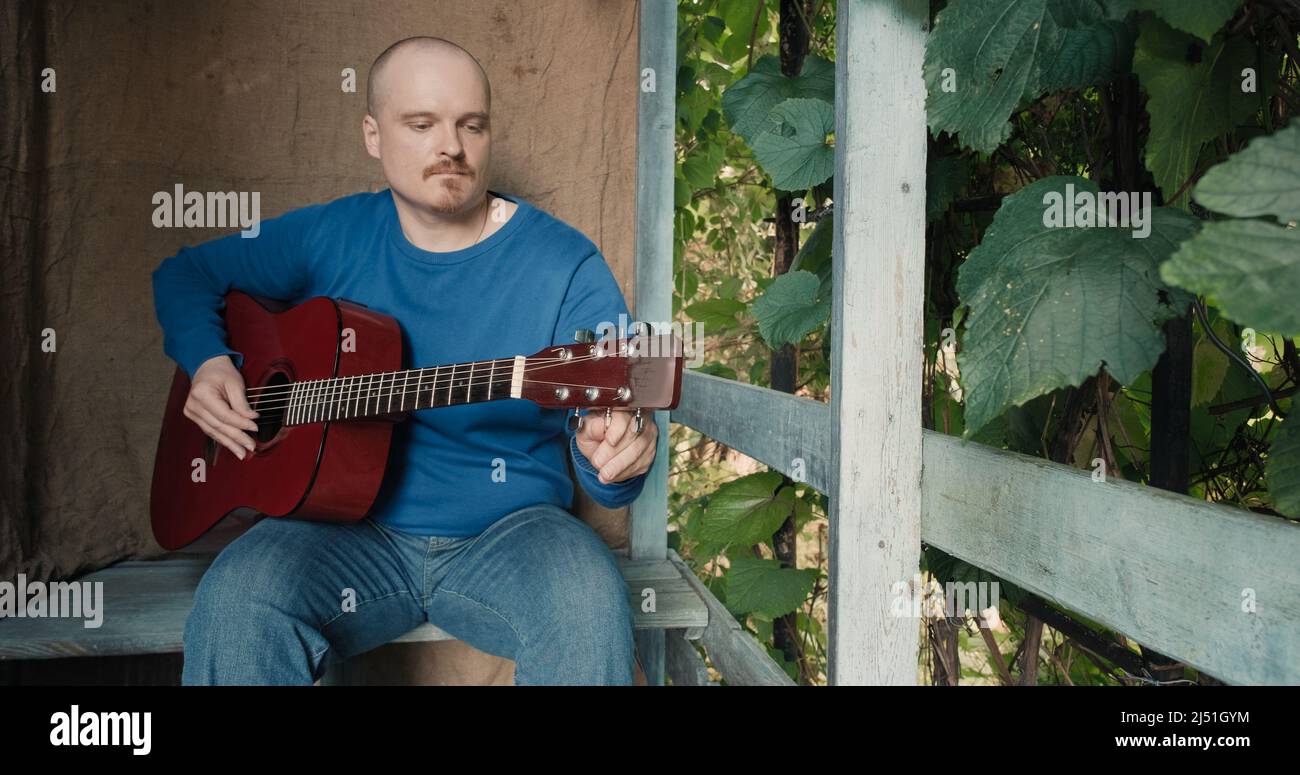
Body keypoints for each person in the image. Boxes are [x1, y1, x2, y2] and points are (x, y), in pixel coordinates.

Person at [151, 36, 658, 685]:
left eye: (471, 125)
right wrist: (209, 361)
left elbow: (616, 452)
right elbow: (187, 273)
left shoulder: (566, 263)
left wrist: (618, 451)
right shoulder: (329, 233)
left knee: (588, 601)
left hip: (512, 535)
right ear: (373, 133)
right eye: (422, 124)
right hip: (338, 529)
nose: (451, 146)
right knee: (237, 600)